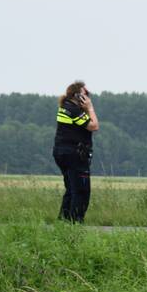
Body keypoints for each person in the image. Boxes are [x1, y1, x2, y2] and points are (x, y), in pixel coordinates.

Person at [52, 81, 99, 223]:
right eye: (86, 94)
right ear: (77, 96)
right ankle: (75, 223)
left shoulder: (65, 107)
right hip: (75, 155)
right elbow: (94, 126)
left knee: (71, 190)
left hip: (62, 153)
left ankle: (64, 222)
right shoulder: (74, 110)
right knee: (81, 191)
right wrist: (90, 108)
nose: (88, 98)